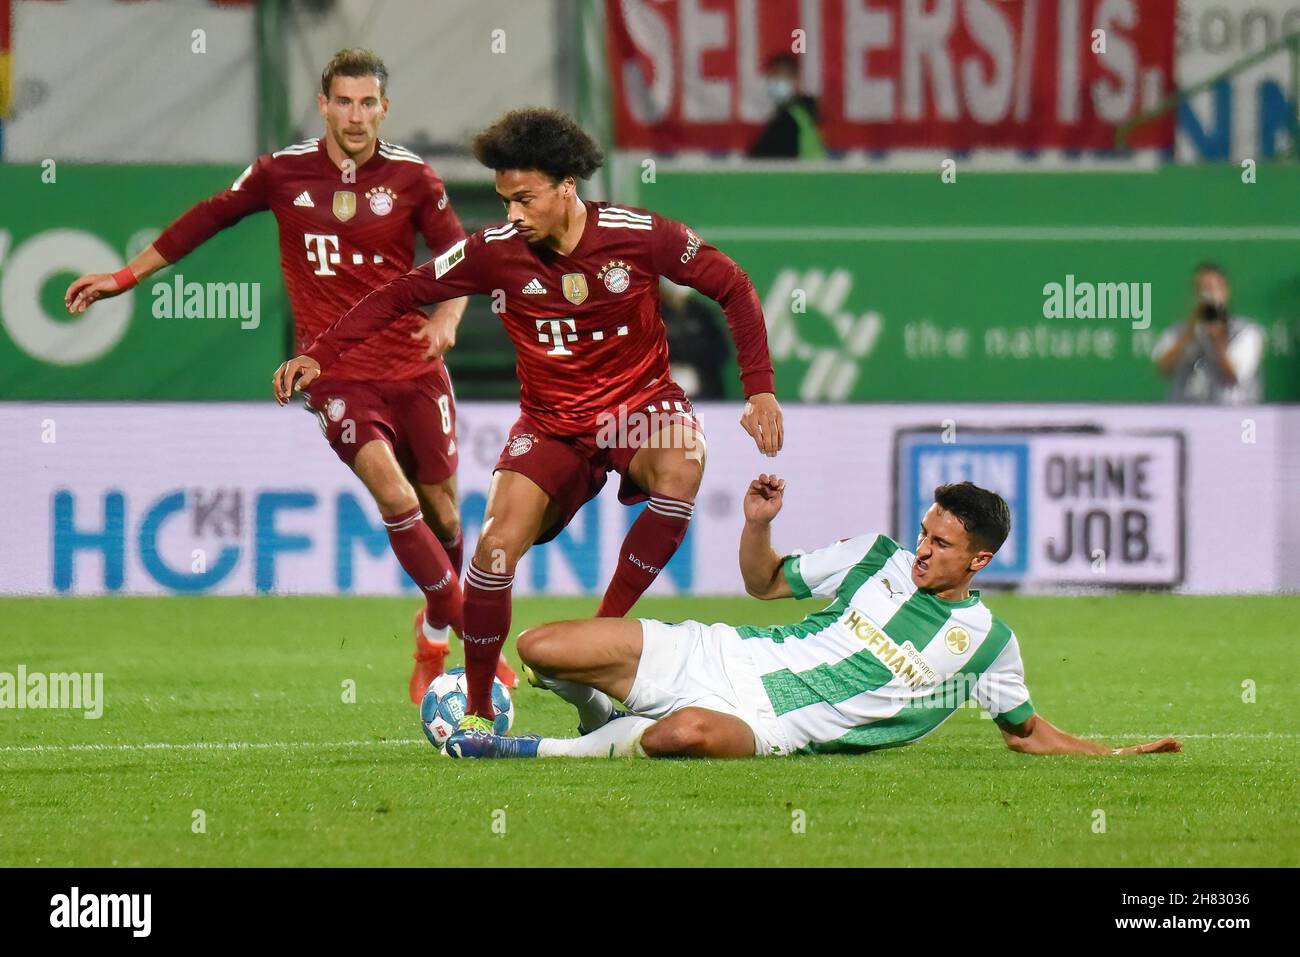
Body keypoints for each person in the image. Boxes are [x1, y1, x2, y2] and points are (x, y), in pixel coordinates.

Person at [273, 108, 784, 733]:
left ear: (567, 186)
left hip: (640, 409)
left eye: (524, 199)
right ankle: (481, 707)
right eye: (504, 199)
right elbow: (401, 293)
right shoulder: (494, 253)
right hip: (550, 426)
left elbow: (733, 284)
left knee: (682, 467)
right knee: (490, 552)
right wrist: (317, 353)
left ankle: (597, 635)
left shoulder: (639, 234)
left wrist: (759, 391)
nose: (512, 213)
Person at [63, 48, 513, 702]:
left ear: (384, 109)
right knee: (396, 496)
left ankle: (435, 627)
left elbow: (459, 256)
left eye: (368, 103)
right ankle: (479, 646)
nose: (355, 115)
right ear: (323, 103)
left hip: (415, 366)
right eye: (344, 101)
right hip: (333, 369)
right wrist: (124, 276)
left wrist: (447, 318)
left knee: (443, 511)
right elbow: (210, 216)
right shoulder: (281, 172)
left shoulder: (413, 178)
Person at [444, 475, 1182, 760]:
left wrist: (1116, 758)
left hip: (776, 727)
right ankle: (597, 712)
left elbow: (1029, 734)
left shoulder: (986, 644)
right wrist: (759, 523)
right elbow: (763, 582)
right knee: (541, 646)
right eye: (925, 533)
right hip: (724, 655)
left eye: (943, 545)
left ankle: (532, 753)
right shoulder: (875, 555)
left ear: (980, 561)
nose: (922, 551)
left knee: (687, 734)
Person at [1153, 262, 1264, 404]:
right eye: (1202, 289)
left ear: (1225, 291)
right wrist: (1189, 333)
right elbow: (1164, 368)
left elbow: (1234, 377)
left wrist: (1216, 341)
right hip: (1186, 413)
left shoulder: (1246, 332)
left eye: (1213, 288)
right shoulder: (1181, 330)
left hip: (1232, 416)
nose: (1208, 295)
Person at [748, 53, 826, 160]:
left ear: (797, 81)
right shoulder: (801, 114)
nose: (775, 83)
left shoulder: (790, 119)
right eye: (772, 77)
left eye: (782, 77)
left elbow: (762, 160)